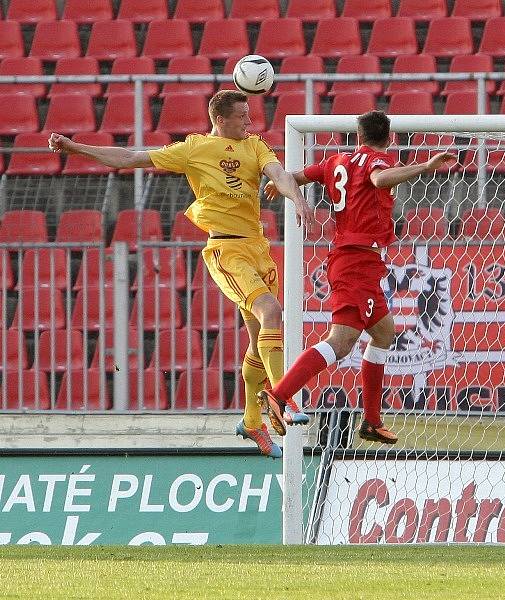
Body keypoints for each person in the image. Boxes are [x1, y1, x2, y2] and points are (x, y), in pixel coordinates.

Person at [48, 89, 314, 458]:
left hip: (259, 249)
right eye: (242, 117)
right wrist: (77, 148)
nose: (250, 123)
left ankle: (252, 422)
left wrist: (296, 197)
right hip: (226, 250)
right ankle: (284, 396)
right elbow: (130, 158)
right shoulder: (193, 150)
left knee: (258, 340)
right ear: (220, 120)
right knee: (271, 312)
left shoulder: (254, 146)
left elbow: (278, 174)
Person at [261, 110, 456, 444]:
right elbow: (380, 179)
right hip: (356, 261)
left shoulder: (336, 161)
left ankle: (371, 421)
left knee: (383, 332)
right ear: (389, 137)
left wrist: (278, 185)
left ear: (358, 135)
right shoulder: (376, 161)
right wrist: (424, 167)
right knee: (342, 341)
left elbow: (295, 175)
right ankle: (278, 395)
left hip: (358, 260)